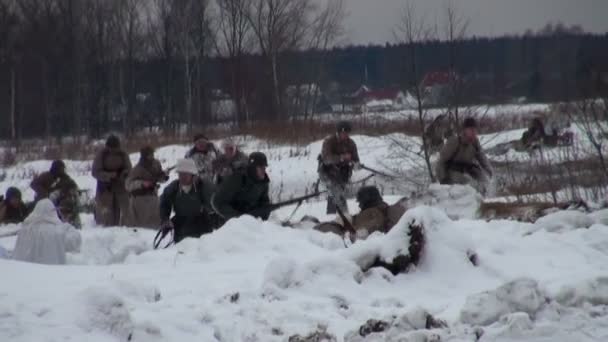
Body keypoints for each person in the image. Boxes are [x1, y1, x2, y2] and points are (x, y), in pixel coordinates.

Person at [313, 186, 406, 240]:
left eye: (361, 202)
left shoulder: (372, 213)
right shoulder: (383, 209)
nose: (359, 206)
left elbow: (357, 234)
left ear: (367, 201)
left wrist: (344, 231)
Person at [159, 158, 216, 243]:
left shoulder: (204, 186)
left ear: (193, 174)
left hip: (202, 225)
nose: (182, 177)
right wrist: (165, 220)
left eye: (185, 174)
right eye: (180, 174)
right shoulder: (174, 187)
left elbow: (215, 206)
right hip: (180, 224)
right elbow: (164, 203)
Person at [12, 199, 82, 265]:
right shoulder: (57, 232)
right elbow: (74, 242)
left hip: (25, 275)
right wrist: (68, 227)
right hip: (51, 275)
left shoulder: (24, 231)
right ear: (53, 212)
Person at [211, 152, 271, 222]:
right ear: (252, 168)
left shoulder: (263, 181)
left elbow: (264, 202)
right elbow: (217, 201)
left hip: (251, 220)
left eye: (264, 167)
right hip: (229, 221)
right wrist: (238, 217)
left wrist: (262, 217)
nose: (264, 170)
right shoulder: (237, 178)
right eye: (260, 167)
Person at [435, 117, 492, 189]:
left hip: (467, 169)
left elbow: (482, 157)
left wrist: (488, 170)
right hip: (452, 170)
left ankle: (484, 198)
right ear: (465, 130)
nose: (474, 132)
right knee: (468, 183)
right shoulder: (454, 141)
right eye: (471, 130)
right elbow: (441, 161)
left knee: (484, 180)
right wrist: (443, 179)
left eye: (475, 130)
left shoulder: (475, 143)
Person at [318, 121, 360, 214]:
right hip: (327, 172)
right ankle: (342, 216)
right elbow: (326, 159)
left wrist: (356, 164)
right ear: (338, 132)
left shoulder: (351, 143)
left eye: (347, 133)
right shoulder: (329, 141)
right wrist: (342, 158)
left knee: (339, 192)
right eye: (343, 133)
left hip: (343, 173)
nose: (345, 135)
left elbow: (356, 160)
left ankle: (335, 215)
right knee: (336, 192)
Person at [92, 135, 132, 226]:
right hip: (105, 188)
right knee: (106, 215)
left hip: (120, 187)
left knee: (124, 213)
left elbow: (129, 168)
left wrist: (123, 174)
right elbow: (95, 172)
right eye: (112, 148)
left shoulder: (123, 154)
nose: (114, 150)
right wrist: (109, 176)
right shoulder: (101, 155)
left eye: (116, 148)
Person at [125, 146, 169, 228]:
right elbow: (128, 185)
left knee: (156, 222)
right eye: (149, 155)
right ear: (144, 156)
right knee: (142, 225)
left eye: (152, 154)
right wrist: (142, 183)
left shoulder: (156, 164)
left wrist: (164, 177)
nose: (151, 156)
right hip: (139, 199)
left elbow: (158, 177)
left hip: (153, 197)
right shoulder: (136, 169)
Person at [31, 160, 81, 228]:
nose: (62, 170)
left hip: (59, 200)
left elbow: (73, 186)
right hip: (44, 200)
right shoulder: (46, 176)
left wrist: (70, 190)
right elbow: (33, 184)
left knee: (68, 203)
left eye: (63, 168)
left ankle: (70, 223)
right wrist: (44, 192)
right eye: (60, 168)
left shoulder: (65, 177)